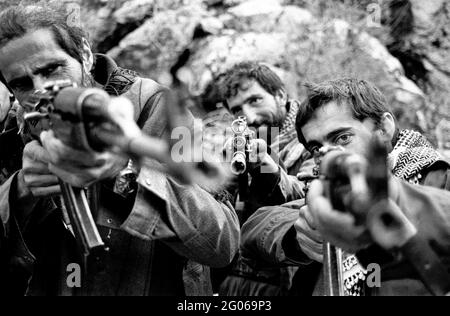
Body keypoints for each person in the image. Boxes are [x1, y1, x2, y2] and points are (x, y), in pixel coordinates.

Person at [0, 4, 239, 296]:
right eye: (23, 84)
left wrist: (122, 172)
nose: (42, 89)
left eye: (52, 69)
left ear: (85, 54)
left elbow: (221, 243)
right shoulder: (14, 132)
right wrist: (21, 191)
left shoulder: (156, 106)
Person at [242, 78, 450, 296]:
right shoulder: (330, 196)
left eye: (342, 138)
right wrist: (297, 234)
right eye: (316, 148)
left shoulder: (438, 179)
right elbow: (254, 227)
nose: (328, 153)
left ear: (384, 128)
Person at [217, 62, 311, 296]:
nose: (249, 117)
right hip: (237, 282)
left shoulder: (312, 135)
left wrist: (270, 172)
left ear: (280, 95)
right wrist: (223, 179)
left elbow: (312, 196)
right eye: (237, 110)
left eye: (255, 100)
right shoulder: (242, 143)